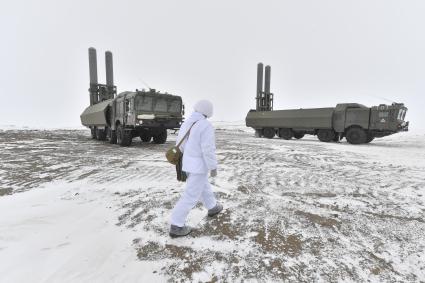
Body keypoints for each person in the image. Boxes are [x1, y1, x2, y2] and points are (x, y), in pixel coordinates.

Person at [169, 100, 223, 238]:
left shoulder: (187, 123)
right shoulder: (205, 125)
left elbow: (179, 145)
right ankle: (176, 224)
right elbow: (208, 149)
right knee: (191, 195)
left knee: (203, 186)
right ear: (208, 111)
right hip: (198, 166)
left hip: (187, 165)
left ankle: (212, 207)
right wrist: (213, 166)